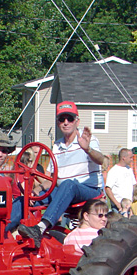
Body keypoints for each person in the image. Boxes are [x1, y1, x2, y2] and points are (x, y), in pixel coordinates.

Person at [18, 101, 105, 247]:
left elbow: (102, 160)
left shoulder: (89, 141)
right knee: (26, 199)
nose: (66, 122)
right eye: (62, 119)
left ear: (77, 121)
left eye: (69, 118)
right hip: (63, 190)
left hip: (88, 190)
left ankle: (40, 228)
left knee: (69, 184)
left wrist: (87, 149)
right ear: (58, 122)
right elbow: (52, 179)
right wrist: (37, 190)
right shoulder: (57, 146)